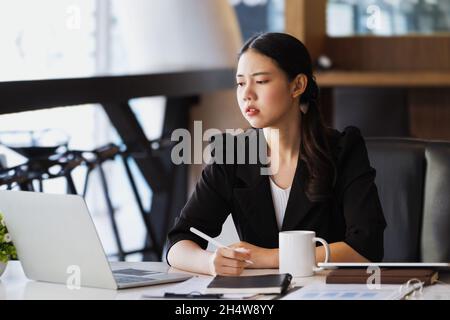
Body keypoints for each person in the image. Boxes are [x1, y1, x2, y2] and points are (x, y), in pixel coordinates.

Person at [166, 32, 386, 276]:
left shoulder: (343, 149)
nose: (246, 94)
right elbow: (178, 243)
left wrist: (269, 257)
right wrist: (210, 262)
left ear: (297, 85)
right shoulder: (232, 154)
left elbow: (366, 247)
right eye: (240, 83)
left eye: (260, 81)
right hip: (259, 297)